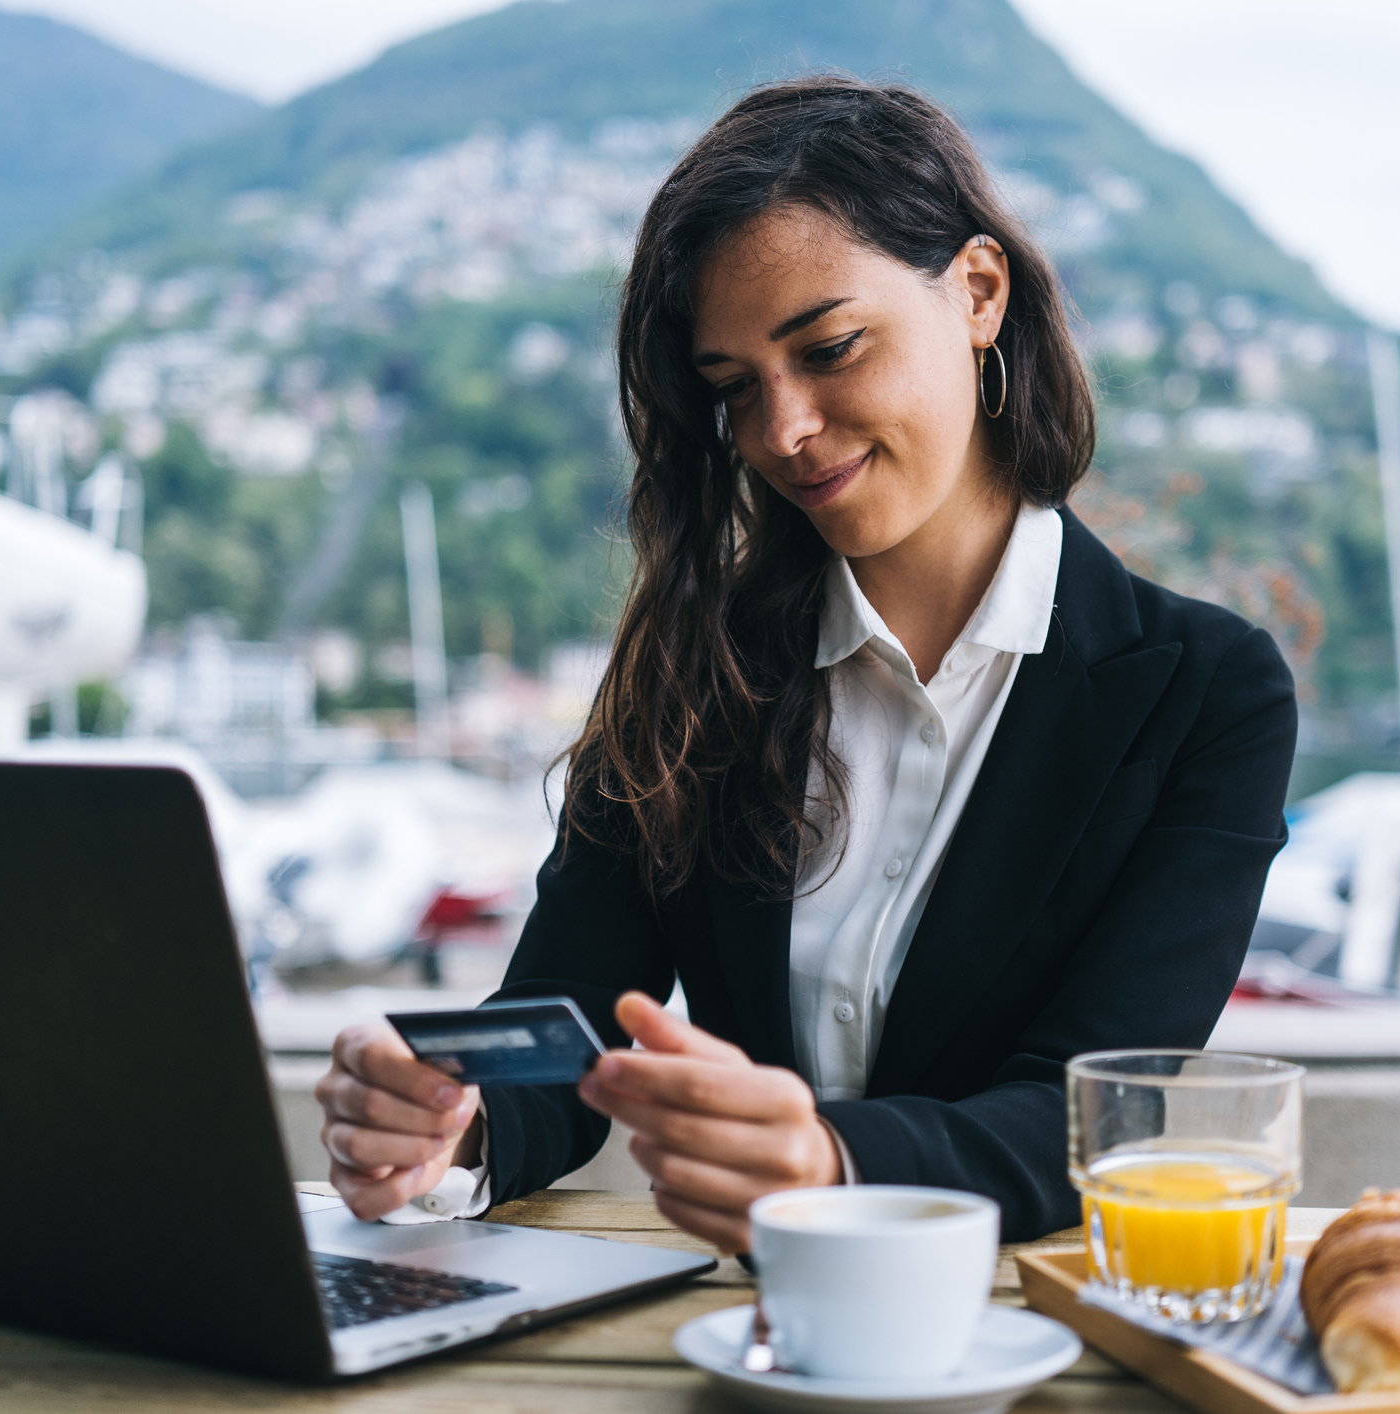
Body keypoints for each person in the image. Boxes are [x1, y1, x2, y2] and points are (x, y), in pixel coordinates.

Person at [315, 75, 1297, 1248]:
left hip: (1029, 1340)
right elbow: (558, 1030)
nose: (779, 431)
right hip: (744, 1335)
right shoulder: (692, 674)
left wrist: (834, 1160)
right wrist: (449, 1112)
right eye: (733, 388)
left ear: (978, 293)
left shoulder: (1204, 694)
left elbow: (1092, 1119)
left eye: (829, 348)